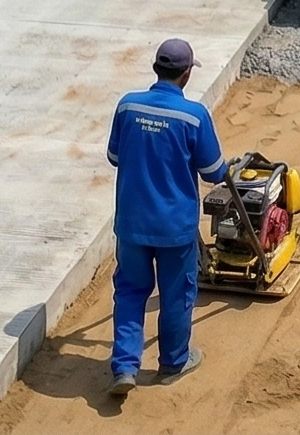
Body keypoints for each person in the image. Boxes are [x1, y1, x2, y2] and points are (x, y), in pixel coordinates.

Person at [105, 37, 226, 399]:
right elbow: (214, 171)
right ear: (186, 73)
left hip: (131, 223)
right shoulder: (194, 116)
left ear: (157, 68)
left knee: (129, 292)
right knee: (176, 294)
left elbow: (114, 156)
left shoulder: (127, 107)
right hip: (174, 228)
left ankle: (125, 367)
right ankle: (173, 361)